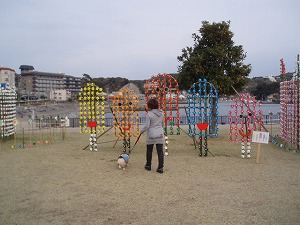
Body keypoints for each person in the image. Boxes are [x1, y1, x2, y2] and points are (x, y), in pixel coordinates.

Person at [140, 98, 165, 173]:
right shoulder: (162, 113)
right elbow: (162, 124)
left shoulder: (149, 114)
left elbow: (147, 126)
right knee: (160, 151)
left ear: (150, 106)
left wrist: (141, 132)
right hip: (160, 133)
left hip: (151, 134)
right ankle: (160, 167)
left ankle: (148, 165)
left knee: (149, 150)